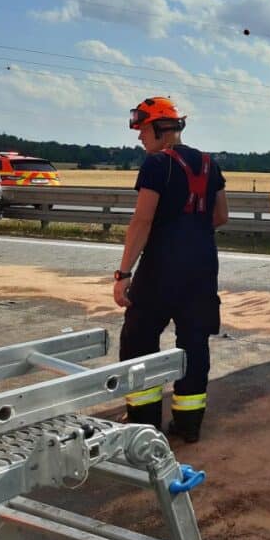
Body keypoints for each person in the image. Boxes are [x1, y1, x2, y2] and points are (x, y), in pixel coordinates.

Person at [113, 96, 228, 443]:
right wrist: (192, 231)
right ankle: (188, 423)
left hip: (161, 269)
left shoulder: (156, 165)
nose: (139, 137)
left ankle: (144, 423)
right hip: (202, 268)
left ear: (160, 129)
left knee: (138, 339)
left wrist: (123, 274)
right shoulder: (209, 163)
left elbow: (142, 221)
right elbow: (221, 216)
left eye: (143, 130)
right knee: (194, 343)